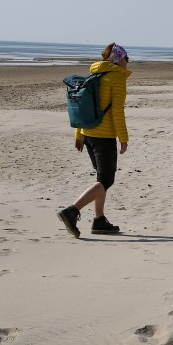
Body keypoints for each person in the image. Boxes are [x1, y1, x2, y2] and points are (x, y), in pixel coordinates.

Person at [58, 43, 132, 238]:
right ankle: (71, 211)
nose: (128, 62)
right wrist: (123, 138)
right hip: (104, 136)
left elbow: (86, 108)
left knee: (101, 179)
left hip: (88, 134)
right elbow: (117, 111)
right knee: (106, 180)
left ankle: (99, 221)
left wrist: (79, 135)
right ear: (119, 59)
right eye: (126, 58)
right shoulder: (116, 77)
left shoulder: (96, 75)